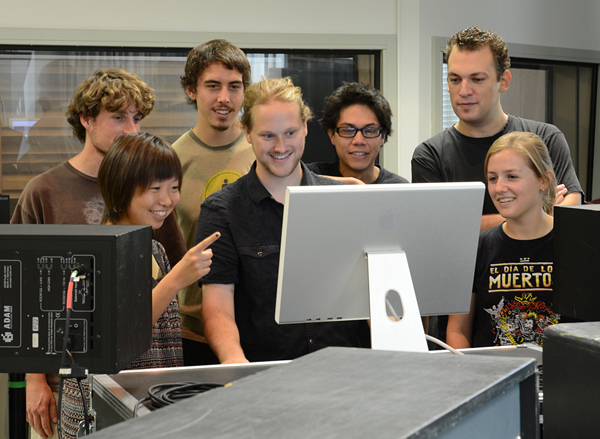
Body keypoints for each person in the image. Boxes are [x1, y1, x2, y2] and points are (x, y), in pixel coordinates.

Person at [12, 68, 186, 439]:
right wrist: (34, 380)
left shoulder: (152, 196)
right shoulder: (42, 191)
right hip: (68, 380)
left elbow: (165, 278)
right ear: (86, 119)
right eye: (118, 117)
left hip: (139, 383)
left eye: (137, 118)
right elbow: (23, 295)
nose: (131, 129)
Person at [195, 77, 370, 364]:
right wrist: (235, 364)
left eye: (289, 133)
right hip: (265, 377)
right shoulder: (221, 212)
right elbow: (218, 309)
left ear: (304, 127)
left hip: (345, 371)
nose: (280, 147)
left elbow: (370, 293)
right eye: (267, 136)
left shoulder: (345, 199)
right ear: (247, 132)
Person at [412, 26, 582, 231]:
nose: (464, 91)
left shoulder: (546, 138)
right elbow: (439, 229)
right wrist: (535, 213)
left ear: (503, 81)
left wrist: (473, 224)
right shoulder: (430, 156)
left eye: (477, 79)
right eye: (455, 79)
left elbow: (572, 209)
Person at [98, 132, 219, 368]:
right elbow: (118, 335)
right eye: (155, 188)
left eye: (174, 187)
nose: (167, 200)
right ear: (119, 188)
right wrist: (175, 279)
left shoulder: (156, 249)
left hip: (153, 395)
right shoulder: (97, 254)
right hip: (108, 399)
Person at [173, 39, 255, 365]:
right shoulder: (172, 160)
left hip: (254, 328)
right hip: (190, 335)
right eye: (213, 86)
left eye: (234, 86)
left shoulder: (262, 151)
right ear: (192, 90)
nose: (225, 98)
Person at [446, 131, 560, 349]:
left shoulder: (578, 244)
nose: (499, 188)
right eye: (492, 178)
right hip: (496, 378)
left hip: (565, 379)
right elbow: (457, 330)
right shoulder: (476, 247)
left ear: (544, 180)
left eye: (512, 177)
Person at [307, 82, 408, 184]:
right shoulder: (308, 179)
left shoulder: (399, 189)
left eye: (369, 130)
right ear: (332, 135)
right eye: (348, 130)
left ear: (383, 136)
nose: (359, 141)